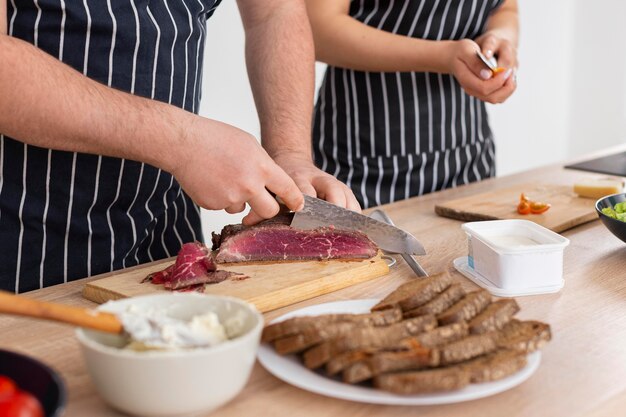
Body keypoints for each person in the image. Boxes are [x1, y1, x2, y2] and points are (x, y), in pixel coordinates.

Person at [0, 0, 360, 293]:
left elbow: (275, 12)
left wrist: (291, 154)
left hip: (168, 234)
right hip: (28, 240)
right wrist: (180, 141)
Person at [305, 0, 519, 208]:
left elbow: (504, 7)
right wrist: (443, 56)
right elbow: (317, 27)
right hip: (365, 162)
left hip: (468, 156)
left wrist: (500, 39)